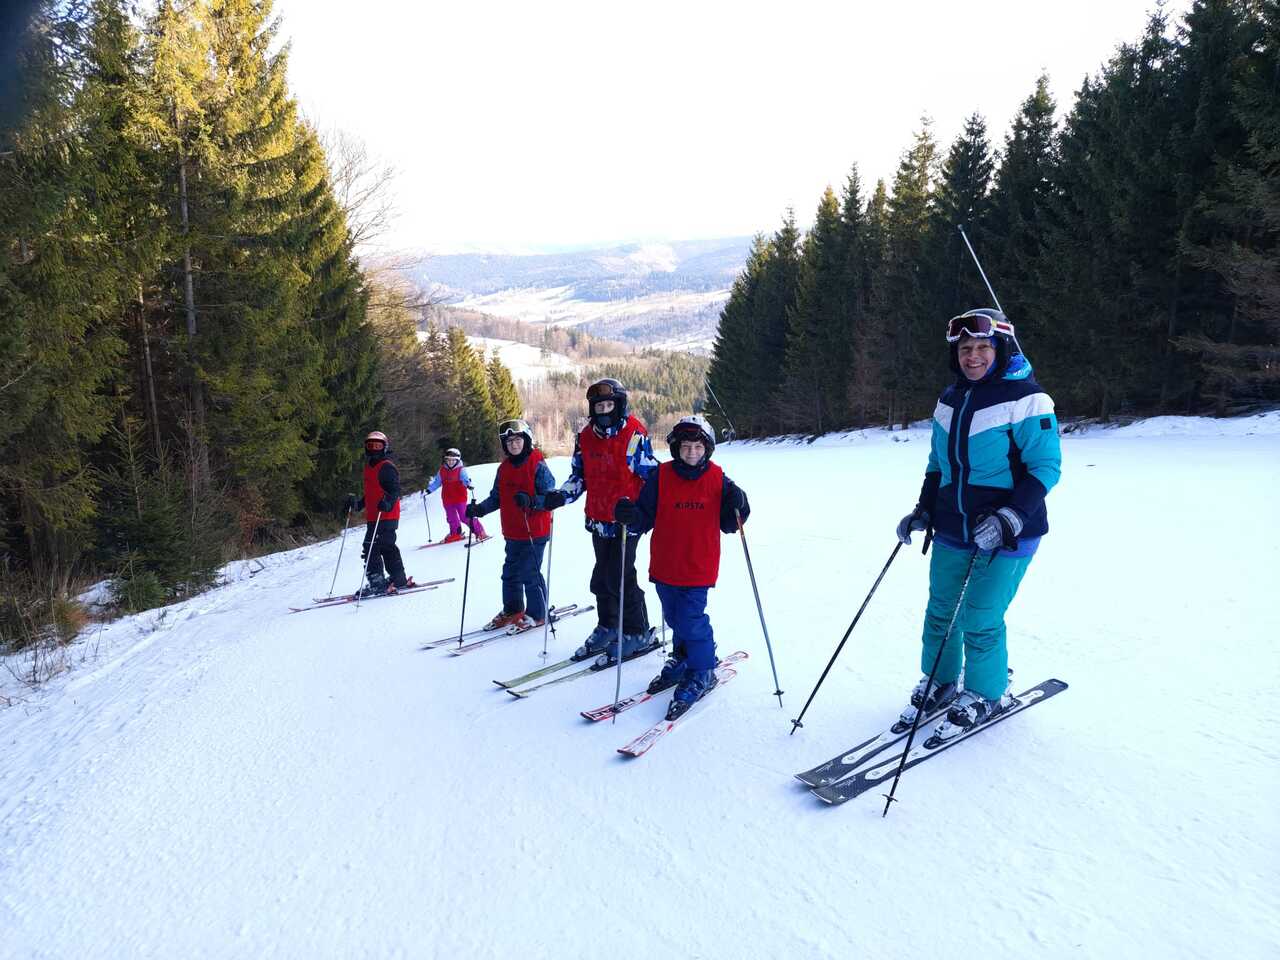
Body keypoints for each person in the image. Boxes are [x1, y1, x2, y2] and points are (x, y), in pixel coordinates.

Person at [894, 308, 1061, 741]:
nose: (973, 355)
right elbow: (938, 464)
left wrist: (1010, 516)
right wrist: (924, 509)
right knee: (940, 611)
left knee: (981, 617)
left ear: (1000, 349)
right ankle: (941, 681)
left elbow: (1045, 467)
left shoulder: (1028, 399)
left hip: (1011, 533)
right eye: (965, 347)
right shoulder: (950, 399)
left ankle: (987, 693)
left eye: (983, 347)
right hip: (953, 526)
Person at [613, 414, 750, 720]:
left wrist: (740, 505)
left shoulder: (718, 479)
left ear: (707, 449)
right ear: (676, 448)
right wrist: (629, 515)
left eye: (698, 447)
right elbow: (643, 517)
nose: (691, 452)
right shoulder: (660, 477)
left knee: (690, 618)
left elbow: (731, 522)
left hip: (698, 564)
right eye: (686, 446)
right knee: (674, 616)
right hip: (666, 563)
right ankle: (684, 656)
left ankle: (703, 669)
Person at [541, 379, 658, 662]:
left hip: (626, 521)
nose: (604, 411)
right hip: (598, 518)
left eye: (609, 405)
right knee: (601, 577)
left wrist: (642, 510)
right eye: (599, 406)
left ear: (620, 405)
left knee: (620, 576)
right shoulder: (585, 437)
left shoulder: (633, 435)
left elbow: (653, 477)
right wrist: (561, 495)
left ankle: (637, 630)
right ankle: (609, 624)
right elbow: (579, 476)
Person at [465, 419, 555, 631]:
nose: (514, 445)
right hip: (513, 532)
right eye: (509, 441)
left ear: (526, 440)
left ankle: (537, 614)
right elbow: (497, 497)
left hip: (535, 531)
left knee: (530, 572)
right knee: (510, 573)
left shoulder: (537, 464)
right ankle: (513, 609)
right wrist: (480, 510)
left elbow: (551, 497)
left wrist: (532, 501)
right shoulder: (503, 469)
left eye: (518, 440)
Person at [343, 430, 416, 597]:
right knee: (387, 546)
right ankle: (398, 579)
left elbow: (394, 490)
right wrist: (358, 504)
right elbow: (371, 493)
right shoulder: (369, 467)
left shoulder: (387, 467)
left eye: (378, 446)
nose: (374, 449)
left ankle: (377, 583)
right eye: (371, 446)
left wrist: (388, 503)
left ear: (385, 447)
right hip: (374, 516)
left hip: (386, 515)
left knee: (370, 547)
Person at [426, 447, 487, 543]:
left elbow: (465, 479)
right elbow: (437, 482)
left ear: (457, 460)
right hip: (447, 498)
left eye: (453, 460)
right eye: (448, 460)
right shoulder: (442, 470)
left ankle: (480, 531)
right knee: (451, 518)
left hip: (460, 498)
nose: (450, 462)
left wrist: (468, 484)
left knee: (464, 516)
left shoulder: (460, 470)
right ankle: (456, 533)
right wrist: (429, 490)